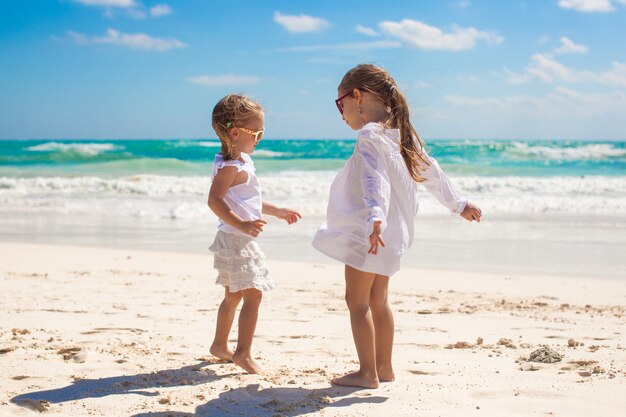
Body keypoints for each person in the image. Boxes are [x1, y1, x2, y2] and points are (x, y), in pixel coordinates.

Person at [312, 64, 482, 388]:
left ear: (357, 96)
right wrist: (458, 204)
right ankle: (385, 368)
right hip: (393, 233)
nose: (341, 113)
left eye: (340, 104)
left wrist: (375, 216)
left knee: (356, 301)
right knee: (379, 300)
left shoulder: (369, 135)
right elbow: (432, 170)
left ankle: (366, 373)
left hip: (371, 230)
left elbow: (374, 179)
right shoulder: (400, 135)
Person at [208, 94, 301, 374]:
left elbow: (248, 201)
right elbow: (215, 201)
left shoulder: (241, 160)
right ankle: (243, 353)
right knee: (253, 295)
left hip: (233, 237)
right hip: (237, 240)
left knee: (234, 295)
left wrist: (277, 211)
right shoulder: (231, 166)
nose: (260, 138)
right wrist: (242, 225)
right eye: (257, 133)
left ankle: (219, 346)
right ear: (235, 133)